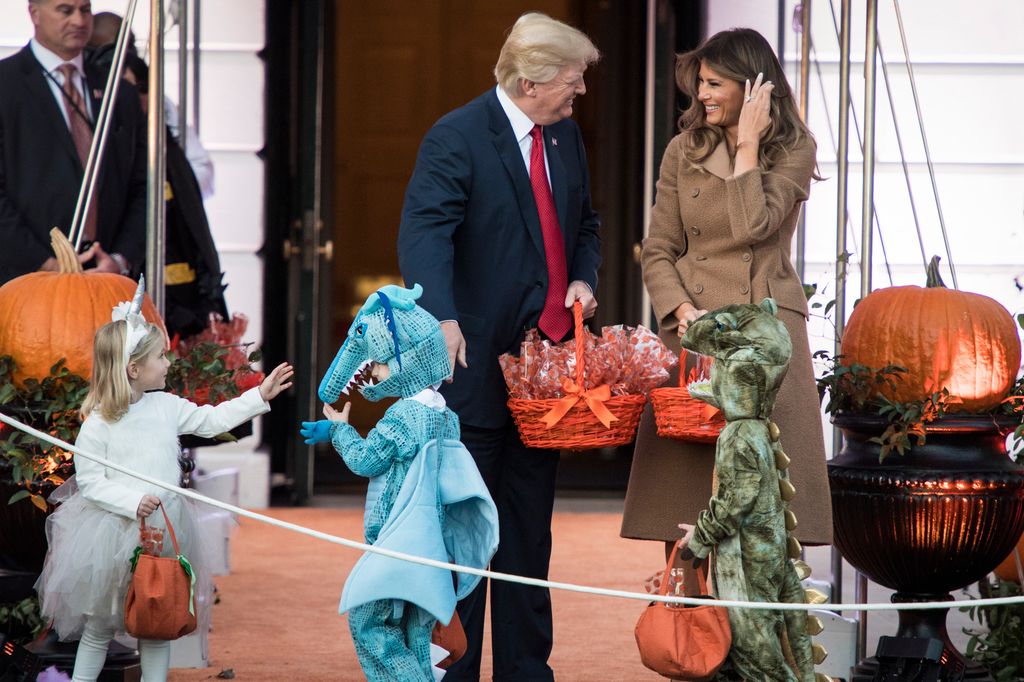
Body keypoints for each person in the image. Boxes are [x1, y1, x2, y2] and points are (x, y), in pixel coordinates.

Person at [396, 12, 601, 680]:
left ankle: (524, 670)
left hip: (541, 378)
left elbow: (586, 225)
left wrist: (581, 276)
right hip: (472, 370)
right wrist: (442, 317)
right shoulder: (457, 136)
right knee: (464, 538)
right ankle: (455, 671)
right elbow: (425, 233)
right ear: (530, 80)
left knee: (527, 535)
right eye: (572, 81)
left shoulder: (565, 138)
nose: (581, 94)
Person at [621, 28, 833, 560]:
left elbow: (752, 227)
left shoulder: (794, 148)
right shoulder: (683, 149)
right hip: (695, 335)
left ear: (753, 87)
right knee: (684, 510)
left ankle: (759, 633)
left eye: (715, 83)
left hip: (764, 336)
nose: (703, 95)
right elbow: (660, 247)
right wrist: (681, 310)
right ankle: (687, 628)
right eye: (700, 84)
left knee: (765, 512)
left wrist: (748, 146)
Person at [34, 280, 293, 682]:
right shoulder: (99, 424)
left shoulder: (167, 407)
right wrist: (131, 501)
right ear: (134, 369)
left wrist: (258, 396)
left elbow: (211, 422)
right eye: (161, 357)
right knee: (100, 628)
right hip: (109, 537)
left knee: (156, 624)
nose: (169, 364)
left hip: (163, 533)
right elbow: (90, 482)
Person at [300, 284, 498, 681]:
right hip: (432, 546)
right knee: (416, 634)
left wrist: (338, 431)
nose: (374, 371)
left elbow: (365, 460)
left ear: (408, 363)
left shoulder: (403, 417)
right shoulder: (445, 416)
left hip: (398, 539)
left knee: (369, 623)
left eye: (381, 363)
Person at [0, 0, 148, 284]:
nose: (80, 22)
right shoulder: (6, 84)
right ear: (35, 13)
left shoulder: (120, 92)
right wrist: (45, 262)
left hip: (106, 278)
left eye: (85, 10)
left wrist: (118, 259)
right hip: (21, 281)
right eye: (65, 10)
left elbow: (143, 186)